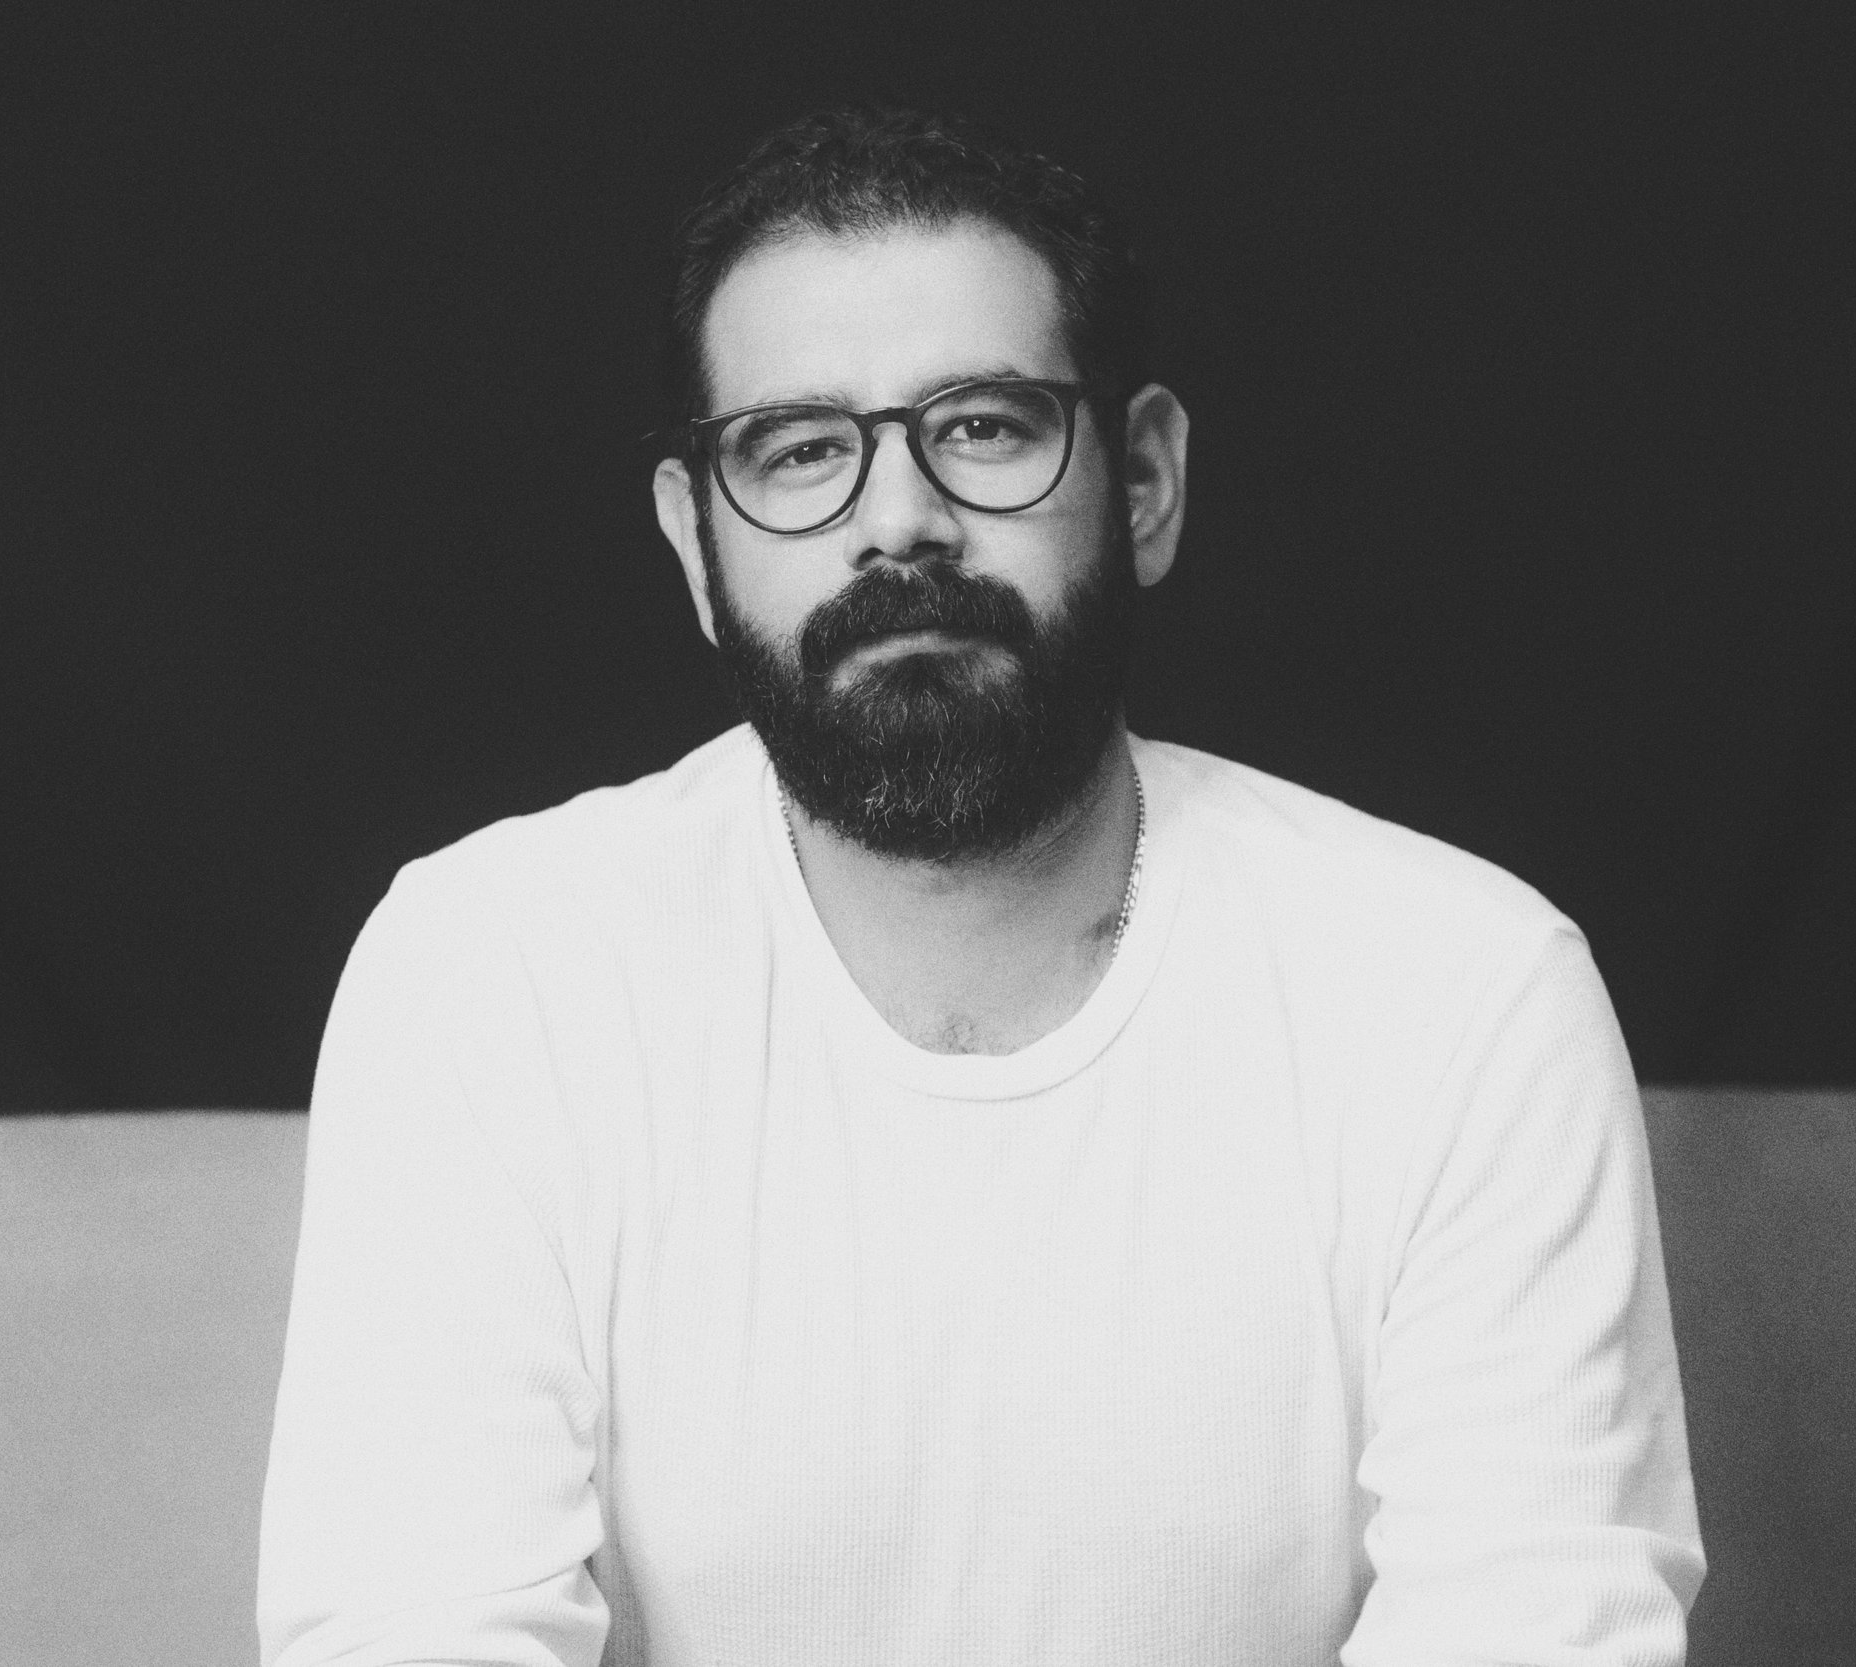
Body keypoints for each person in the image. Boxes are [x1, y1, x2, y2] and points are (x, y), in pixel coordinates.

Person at [257, 106, 1704, 1667]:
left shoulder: (1460, 994)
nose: (899, 524)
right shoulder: (491, 977)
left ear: (1142, 481)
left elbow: (1533, 1628)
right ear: (696, 544)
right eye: (800, 450)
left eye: (986, 426)